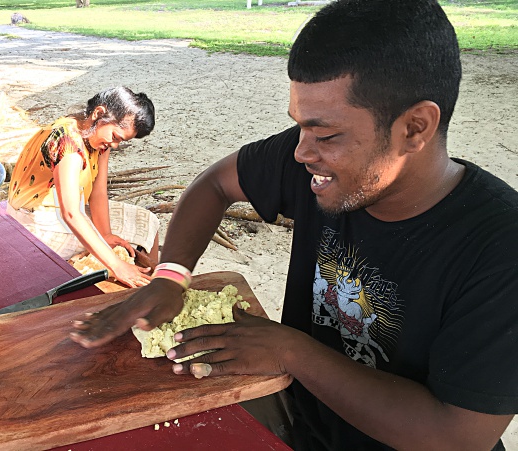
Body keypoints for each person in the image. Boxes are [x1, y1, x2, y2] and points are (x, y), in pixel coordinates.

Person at [70, 1, 518, 449]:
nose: (302, 152)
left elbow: (457, 436)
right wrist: (170, 275)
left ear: (415, 128)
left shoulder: (499, 249)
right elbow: (214, 185)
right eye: (300, 127)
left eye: (325, 135)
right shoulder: (314, 162)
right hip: (301, 422)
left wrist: (290, 350)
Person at [7, 86, 159, 288]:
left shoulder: (97, 137)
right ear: (99, 114)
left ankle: (150, 284)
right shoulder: (67, 142)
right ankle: (143, 289)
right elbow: (71, 214)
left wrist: (105, 234)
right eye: (115, 137)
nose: (114, 145)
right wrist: (116, 265)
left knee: (149, 220)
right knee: (114, 262)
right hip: (34, 224)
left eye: (120, 141)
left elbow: (98, 193)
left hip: (61, 212)